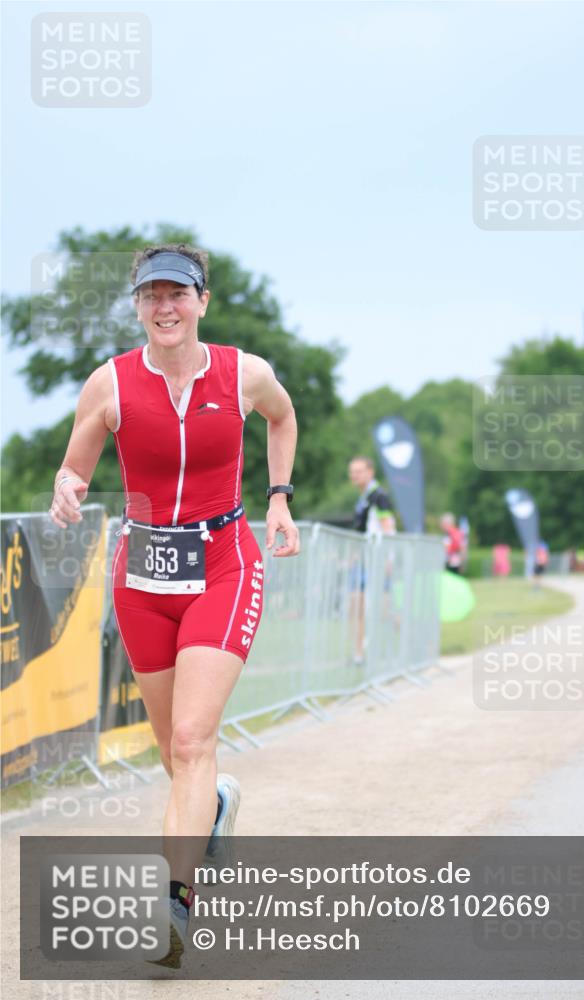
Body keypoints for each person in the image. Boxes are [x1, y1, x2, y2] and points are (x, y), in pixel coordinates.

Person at [48, 244, 300, 968]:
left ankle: (175, 905)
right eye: (151, 295)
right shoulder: (111, 383)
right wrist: (66, 488)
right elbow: (74, 465)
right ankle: (214, 806)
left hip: (223, 563)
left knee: (192, 740)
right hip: (144, 576)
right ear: (137, 306)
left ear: (202, 302)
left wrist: (279, 498)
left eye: (178, 293)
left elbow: (283, 418)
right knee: (172, 749)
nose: (165, 307)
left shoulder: (243, 373)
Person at [347, 456, 395, 664]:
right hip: (363, 560)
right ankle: (359, 655)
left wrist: (387, 558)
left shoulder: (379, 496)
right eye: (352, 471)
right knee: (356, 606)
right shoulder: (363, 497)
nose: (355, 475)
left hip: (376, 560)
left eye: (359, 471)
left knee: (383, 610)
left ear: (370, 472)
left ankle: (406, 644)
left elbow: (387, 527)